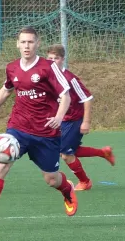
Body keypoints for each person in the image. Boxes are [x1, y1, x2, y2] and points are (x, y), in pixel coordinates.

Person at [0, 26, 78, 232]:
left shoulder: (48, 67)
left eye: (30, 42)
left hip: (46, 132)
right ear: (17, 44)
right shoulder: (12, 68)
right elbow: (6, 90)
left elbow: (66, 95)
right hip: (18, 128)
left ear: (37, 44)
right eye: (23, 42)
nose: (26, 46)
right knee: (2, 164)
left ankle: (66, 188)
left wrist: (59, 116)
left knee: (51, 179)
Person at [46, 44, 115, 190]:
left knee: (65, 154)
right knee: (72, 150)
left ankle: (85, 182)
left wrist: (86, 121)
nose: (53, 61)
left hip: (75, 119)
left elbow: (87, 98)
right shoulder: (48, 77)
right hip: (62, 120)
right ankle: (103, 152)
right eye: (50, 58)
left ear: (63, 59)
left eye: (56, 58)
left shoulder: (70, 79)